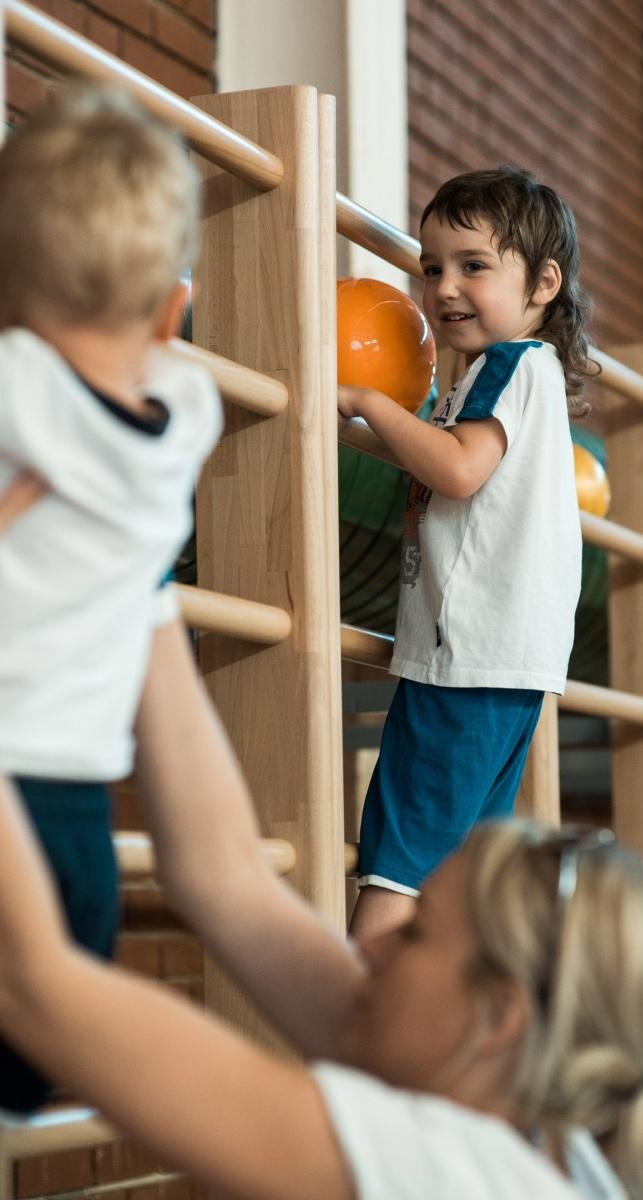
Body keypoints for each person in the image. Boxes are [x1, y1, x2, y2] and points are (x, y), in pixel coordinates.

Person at [0, 749, 643, 1199]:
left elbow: (27, 982)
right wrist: (144, 576)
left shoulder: (447, 1177)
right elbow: (225, 880)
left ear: (503, 1015)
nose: (368, 950)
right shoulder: (535, 1136)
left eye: (412, 935)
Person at [0, 83, 227, 1111]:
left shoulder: (15, 387)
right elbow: (160, 363)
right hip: (81, 840)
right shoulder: (184, 420)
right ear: (173, 312)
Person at [338, 167, 593, 939]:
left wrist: (363, 401)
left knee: (399, 860)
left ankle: (361, 1036)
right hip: (501, 661)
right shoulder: (510, 376)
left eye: (473, 266)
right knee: (451, 876)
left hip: (470, 659)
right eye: (431, 267)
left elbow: (455, 467)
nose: (445, 287)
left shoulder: (511, 366)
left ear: (543, 283)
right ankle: (423, 1042)